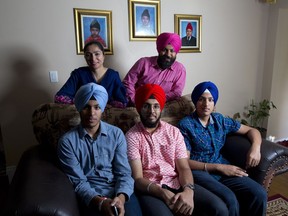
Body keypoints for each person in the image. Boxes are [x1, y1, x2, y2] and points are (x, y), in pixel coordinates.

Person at [125, 83, 231, 216]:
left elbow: (184, 168)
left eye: (156, 106)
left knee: (218, 208)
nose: (151, 111)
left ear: (161, 108)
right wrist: (162, 193)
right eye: (146, 106)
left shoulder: (174, 132)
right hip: (151, 189)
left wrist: (188, 191)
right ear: (139, 108)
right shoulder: (131, 136)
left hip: (177, 182)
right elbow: (138, 178)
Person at [178, 81, 267, 216]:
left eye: (210, 100)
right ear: (195, 101)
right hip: (199, 172)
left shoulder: (220, 120)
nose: (206, 104)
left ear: (214, 103)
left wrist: (256, 147)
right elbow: (185, 162)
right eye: (201, 99)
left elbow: (252, 130)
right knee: (230, 199)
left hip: (223, 168)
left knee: (259, 193)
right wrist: (218, 167)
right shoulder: (185, 125)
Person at [57, 83, 142, 216]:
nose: (92, 113)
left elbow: (124, 173)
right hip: (91, 196)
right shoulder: (67, 142)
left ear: (102, 109)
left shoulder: (116, 134)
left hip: (118, 191)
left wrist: (120, 198)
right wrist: (100, 202)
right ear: (79, 108)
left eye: (97, 107)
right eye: (86, 107)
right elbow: (79, 182)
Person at [55, 41, 127, 108]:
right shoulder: (78, 74)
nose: (93, 59)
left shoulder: (113, 75)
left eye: (97, 54)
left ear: (103, 55)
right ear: (85, 57)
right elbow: (59, 97)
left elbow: (122, 102)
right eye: (88, 55)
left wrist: (103, 105)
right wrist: (82, 102)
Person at [123, 32, 186, 106]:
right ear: (159, 50)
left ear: (176, 52)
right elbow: (128, 83)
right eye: (164, 50)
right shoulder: (143, 63)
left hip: (161, 106)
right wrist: (135, 101)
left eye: (172, 51)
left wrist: (156, 101)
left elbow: (176, 93)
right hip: (136, 104)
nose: (168, 54)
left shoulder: (180, 70)